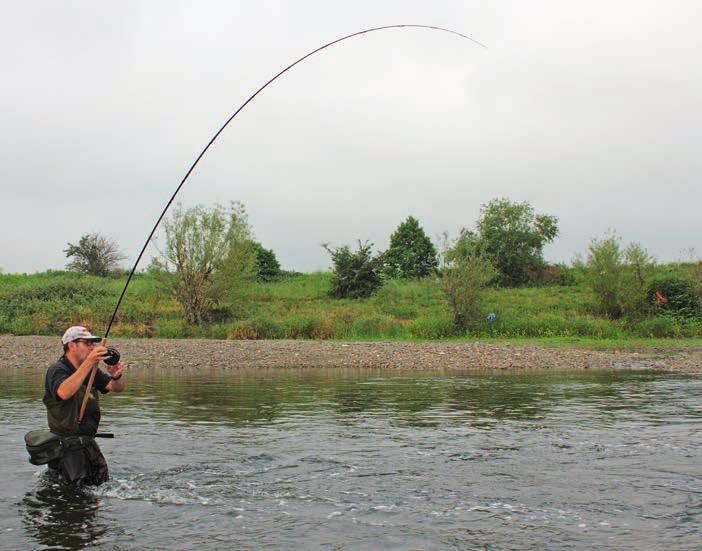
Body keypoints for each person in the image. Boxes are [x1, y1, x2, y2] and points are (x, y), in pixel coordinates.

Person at [43, 326, 125, 486]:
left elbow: (116, 388)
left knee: (101, 487)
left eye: (93, 343)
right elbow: (63, 392)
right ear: (72, 345)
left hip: (88, 445)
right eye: (87, 343)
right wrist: (89, 362)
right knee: (75, 494)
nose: (92, 347)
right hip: (67, 449)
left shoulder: (90, 370)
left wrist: (117, 376)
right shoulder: (57, 370)